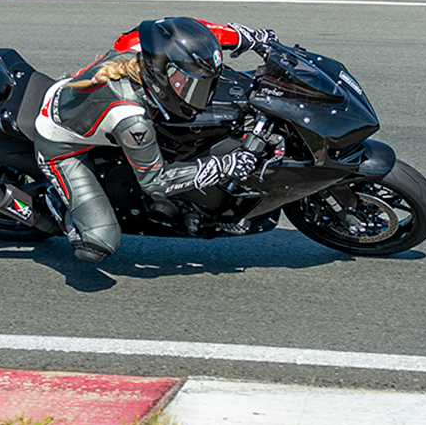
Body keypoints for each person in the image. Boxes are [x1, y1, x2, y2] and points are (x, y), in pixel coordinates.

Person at [33, 17, 277, 262]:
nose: (201, 93)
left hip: (78, 102)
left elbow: (194, 36)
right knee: (99, 244)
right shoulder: (132, 121)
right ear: (162, 73)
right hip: (60, 147)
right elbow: (156, 183)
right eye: (189, 84)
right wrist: (225, 166)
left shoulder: (146, 44)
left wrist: (249, 38)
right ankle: (57, 207)